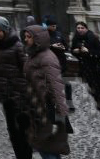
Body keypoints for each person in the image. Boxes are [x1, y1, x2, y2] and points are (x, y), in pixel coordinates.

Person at [23, 25, 71, 159]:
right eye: (25, 37)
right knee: (48, 147)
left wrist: (62, 116)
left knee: (46, 147)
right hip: (36, 107)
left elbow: (56, 85)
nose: (26, 39)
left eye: (29, 37)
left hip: (46, 109)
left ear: (38, 39)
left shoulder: (46, 58)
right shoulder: (33, 54)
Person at [0, 17, 33, 159]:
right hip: (5, 96)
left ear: (6, 30)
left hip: (20, 96)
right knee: (13, 132)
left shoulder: (17, 46)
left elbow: (27, 71)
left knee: (23, 131)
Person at [71, 21, 100, 120]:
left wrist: (89, 52)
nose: (80, 30)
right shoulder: (76, 38)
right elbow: (72, 50)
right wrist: (75, 51)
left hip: (97, 70)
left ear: (86, 28)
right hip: (86, 70)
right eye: (78, 28)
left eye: (82, 28)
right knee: (94, 93)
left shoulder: (92, 38)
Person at [45, 16, 75, 112]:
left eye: (55, 26)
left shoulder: (58, 34)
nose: (54, 28)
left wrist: (63, 47)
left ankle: (69, 103)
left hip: (61, 63)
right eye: (52, 26)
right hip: (50, 64)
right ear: (48, 26)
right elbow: (40, 49)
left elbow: (66, 47)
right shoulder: (43, 36)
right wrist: (51, 46)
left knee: (67, 85)